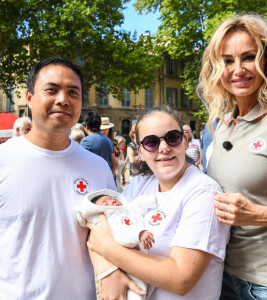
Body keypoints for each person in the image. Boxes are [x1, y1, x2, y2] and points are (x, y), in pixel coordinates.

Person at [0, 57, 122, 299]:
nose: (63, 99)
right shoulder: (4, 160)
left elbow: (110, 235)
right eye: (51, 90)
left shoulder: (98, 168)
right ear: (29, 97)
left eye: (73, 92)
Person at [198, 14, 267, 299]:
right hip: (225, 278)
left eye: (249, 57)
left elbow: (254, 212)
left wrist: (262, 215)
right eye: (228, 60)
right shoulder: (221, 124)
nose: (238, 70)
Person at [87, 105, 230, 299]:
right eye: (152, 142)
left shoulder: (203, 191)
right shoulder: (140, 184)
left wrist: (108, 248)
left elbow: (181, 279)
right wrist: (108, 271)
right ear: (141, 152)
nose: (164, 148)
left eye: (172, 138)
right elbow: (94, 229)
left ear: (185, 141)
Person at [75, 189, 157, 300]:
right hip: (124, 267)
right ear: (100, 209)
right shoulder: (109, 222)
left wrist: (155, 199)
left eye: (112, 199)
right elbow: (118, 237)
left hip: (142, 263)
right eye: (106, 203)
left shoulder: (126, 210)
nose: (112, 202)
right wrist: (139, 235)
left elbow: (138, 203)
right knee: (136, 292)